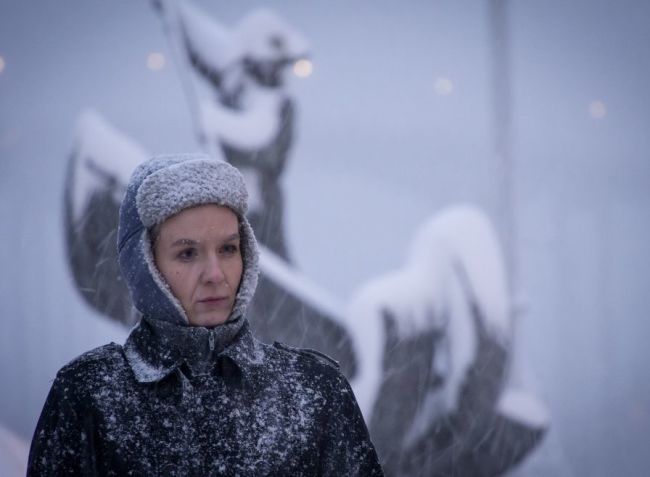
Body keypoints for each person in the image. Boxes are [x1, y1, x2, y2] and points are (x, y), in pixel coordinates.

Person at [28, 154, 383, 476]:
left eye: (228, 249)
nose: (215, 274)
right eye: (187, 254)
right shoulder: (89, 396)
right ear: (145, 267)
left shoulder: (314, 390)